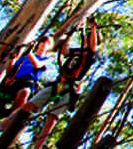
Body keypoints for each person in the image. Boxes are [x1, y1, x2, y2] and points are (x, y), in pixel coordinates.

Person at [7, 19, 101, 149]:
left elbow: (93, 45)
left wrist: (93, 29)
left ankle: (38, 146)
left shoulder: (90, 55)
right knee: (29, 105)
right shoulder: (75, 52)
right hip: (57, 83)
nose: (86, 41)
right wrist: (71, 34)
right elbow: (63, 51)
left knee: (52, 118)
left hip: (69, 87)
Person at [0, 35, 53, 144]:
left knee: (24, 92)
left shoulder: (46, 59)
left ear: (49, 47)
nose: (43, 44)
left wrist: (29, 52)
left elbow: (37, 65)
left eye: (47, 43)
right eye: (42, 42)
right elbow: (10, 72)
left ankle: (13, 116)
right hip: (14, 82)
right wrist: (12, 59)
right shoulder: (24, 58)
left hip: (28, 82)